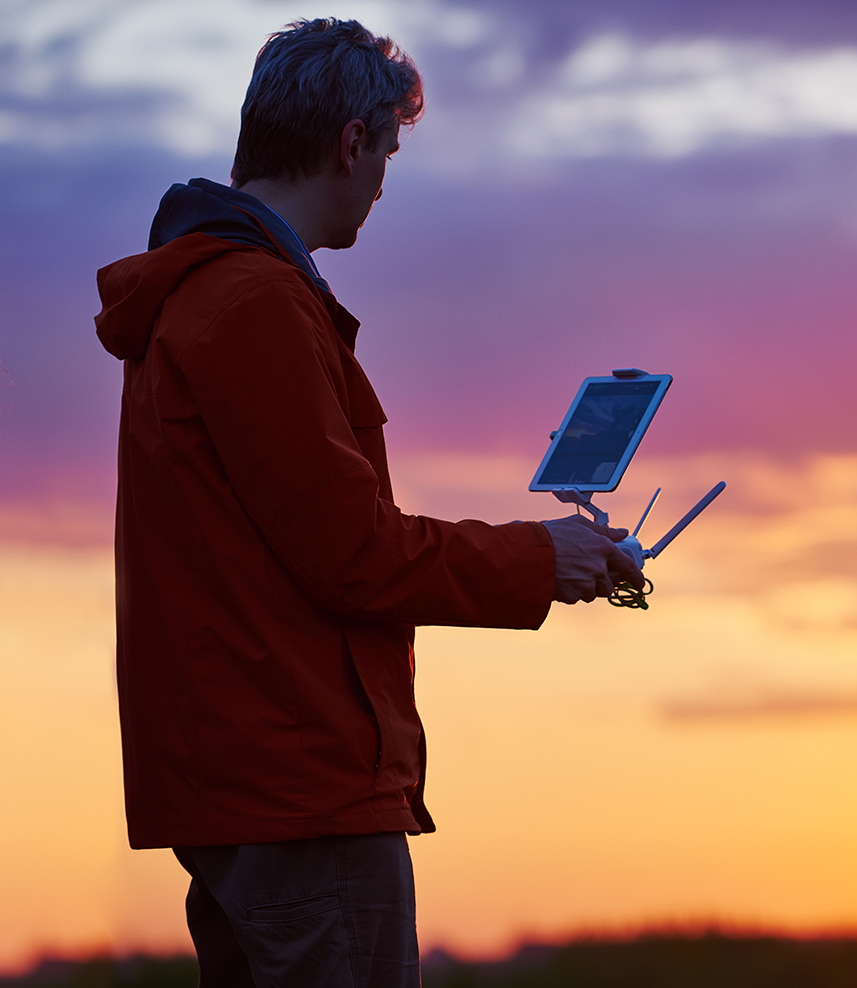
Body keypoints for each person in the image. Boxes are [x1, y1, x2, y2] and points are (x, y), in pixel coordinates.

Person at [92, 18, 643, 987]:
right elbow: (351, 552)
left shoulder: (200, 300)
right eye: (387, 149)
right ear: (351, 142)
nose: (385, 178)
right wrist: (538, 560)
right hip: (300, 791)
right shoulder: (252, 305)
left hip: (242, 791)